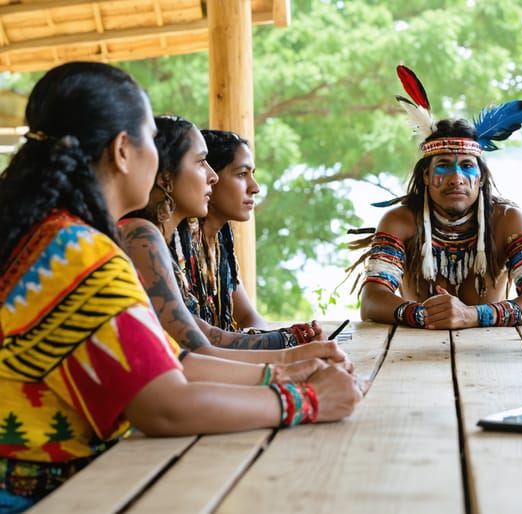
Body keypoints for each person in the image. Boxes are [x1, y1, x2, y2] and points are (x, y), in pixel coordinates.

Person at [0, 62, 361, 512]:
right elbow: (164, 405)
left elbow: (169, 362)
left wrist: (286, 368)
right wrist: (306, 401)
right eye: (151, 138)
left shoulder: (45, 236)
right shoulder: (77, 252)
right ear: (123, 151)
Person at [120, 116, 342, 363]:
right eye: (202, 162)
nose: (212, 177)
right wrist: (292, 346)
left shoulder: (160, 236)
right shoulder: (142, 236)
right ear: (165, 177)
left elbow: (213, 336)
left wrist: (293, 344)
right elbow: (199, 346)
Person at [352, 65, 522, 329]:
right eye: (444, 164)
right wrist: (422, 314)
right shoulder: (400, 222)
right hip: (414, 353)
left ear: (481, 177)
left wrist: (474, 316)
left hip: (489, 357)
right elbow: (371, 302)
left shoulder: (507, 222)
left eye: (467, 166)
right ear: (426, 176)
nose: (456, 177)